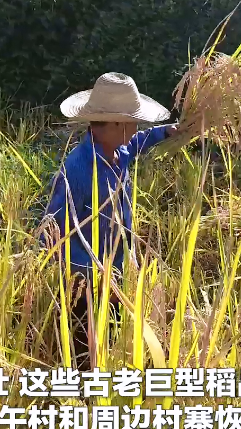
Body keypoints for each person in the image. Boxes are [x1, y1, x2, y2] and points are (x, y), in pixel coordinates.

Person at [40, 72, 181, 371]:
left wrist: (166, 132)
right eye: (132, 122)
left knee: (111, 339)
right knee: (85, 351)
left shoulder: (119, 150)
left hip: (116, 269)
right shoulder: (77, 170)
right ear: (115, 124)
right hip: (84, 284)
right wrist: (96, 275)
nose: (136, 128)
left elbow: (139, 142)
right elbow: (52, 234)